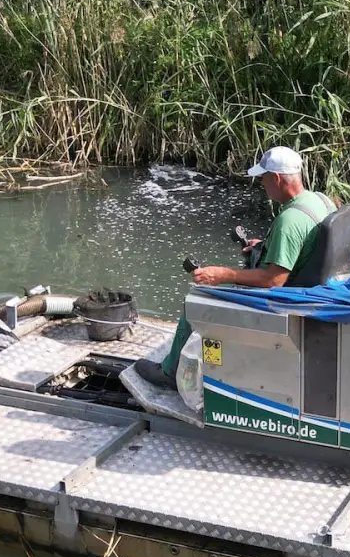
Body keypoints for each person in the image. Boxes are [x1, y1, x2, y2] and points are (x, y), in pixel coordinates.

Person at [135, 146, 335, 390]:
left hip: (280, 300)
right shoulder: (318, 201)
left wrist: (222, 275)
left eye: (263, 179)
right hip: (309, 289)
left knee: (196, 302)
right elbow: (301, 246)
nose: (262, 185)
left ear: (277, 178)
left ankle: (169, 374)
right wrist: (265, 246)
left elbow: (273, 281)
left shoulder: (289, 221)